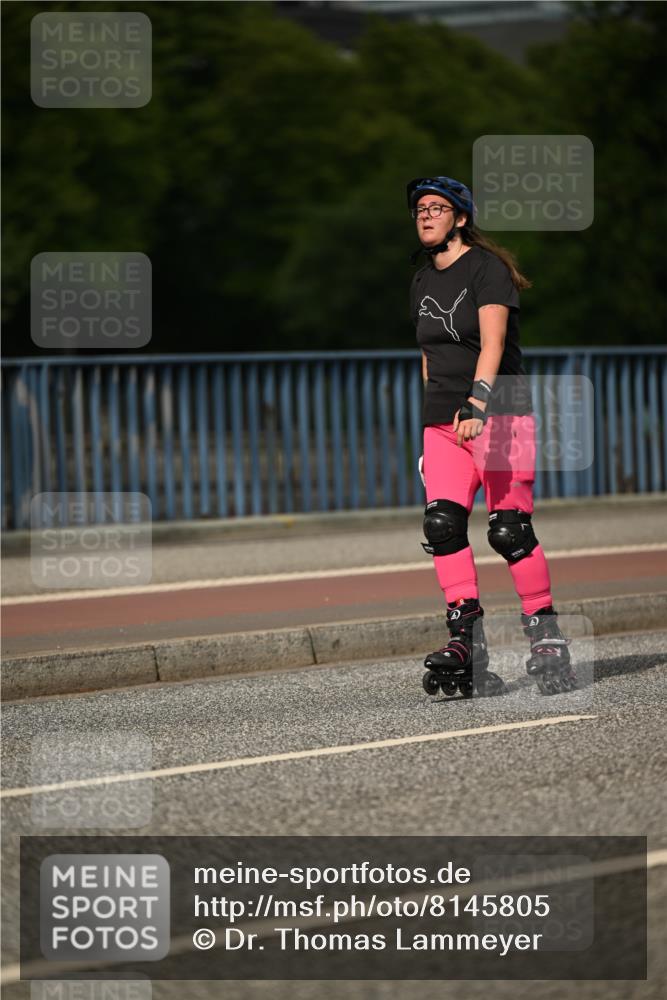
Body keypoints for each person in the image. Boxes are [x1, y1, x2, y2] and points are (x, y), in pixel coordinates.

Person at [407, 175, 575, 698]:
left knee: (509, 531)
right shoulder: (421, 280)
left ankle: (546, 637)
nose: (426, 215)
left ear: (460, 218)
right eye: (419, 209)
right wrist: (431, 431)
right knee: (442, 526)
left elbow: (493, 343)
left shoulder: (487, 269)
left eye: (437, 208)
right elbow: (430, 358)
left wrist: (476, 403)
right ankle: (466, 642)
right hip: (444, 424)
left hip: (501, 413)